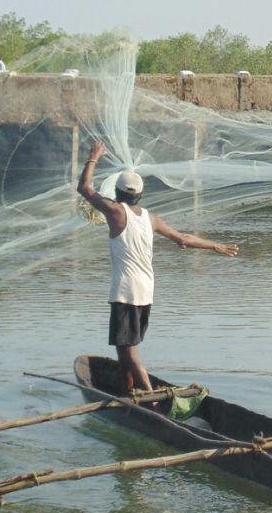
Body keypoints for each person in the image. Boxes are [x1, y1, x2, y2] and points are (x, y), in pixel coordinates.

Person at [77, 141, 239, 394]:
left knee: (130, 353)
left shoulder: (116, 212)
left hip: (125, 292)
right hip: (146, 292)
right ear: (140, 196)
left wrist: (94, 157)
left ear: (118, 195)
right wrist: (214, 245)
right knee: (123, 350)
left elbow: (85, 188)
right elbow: (183, 238)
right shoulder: (150, 218)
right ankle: (127, 392)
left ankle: (150, 400)